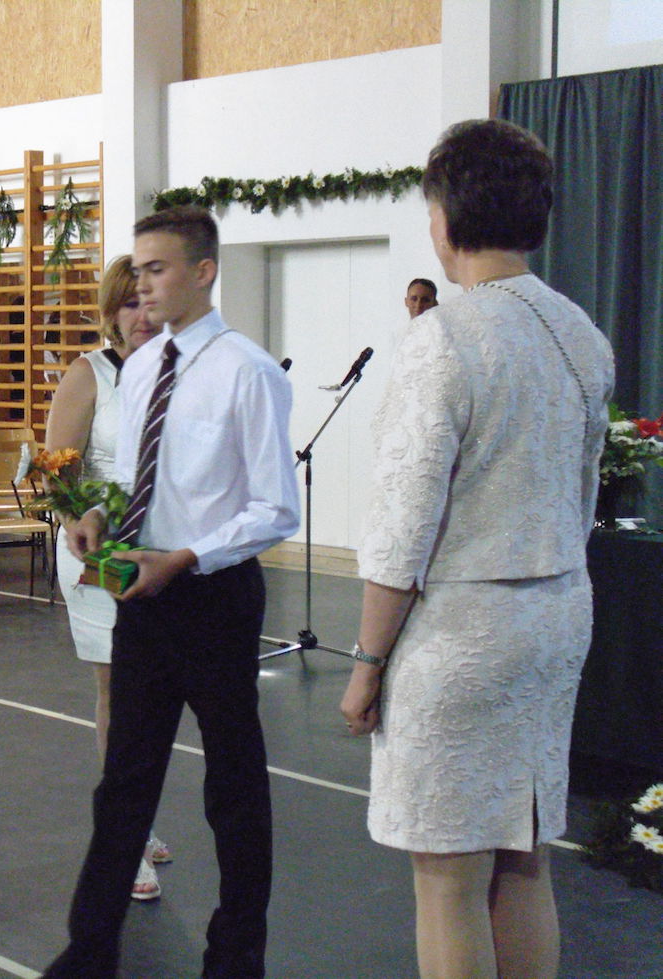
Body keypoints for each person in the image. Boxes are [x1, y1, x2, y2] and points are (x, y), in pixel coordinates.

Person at [339, 120, 615, 979]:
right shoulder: (580, 331)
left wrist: (365, 664)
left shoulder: (444, 338)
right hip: (557, 613)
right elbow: (583, 493)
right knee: (524, 856)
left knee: (447, 879)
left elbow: (401, 528)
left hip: (464, 632)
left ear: (446, 216)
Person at [44, 205, 300, 979]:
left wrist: (187, 555)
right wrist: (95, 513)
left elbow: (275, 508)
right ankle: (90, 949)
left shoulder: (246, 370)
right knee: (124, 780)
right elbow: (132, 474)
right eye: (138, 270)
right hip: (142, 593)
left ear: (203, 272)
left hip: (214, 596)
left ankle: (236, 955)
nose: (143, 286)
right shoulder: (144, 365)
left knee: (233, 785)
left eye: (157, 270)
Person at [44, 256, 170, 900]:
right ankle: (124, 838)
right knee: (119, 693)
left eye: (150, 302)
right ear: (110, 313)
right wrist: (82, 524)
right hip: (98, 546)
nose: (141, 315)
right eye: (128, 304)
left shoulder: (177, 372)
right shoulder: (89, 373)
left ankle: (137, 816)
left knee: (155, 696)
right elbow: (57, 473)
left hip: (161, 549)